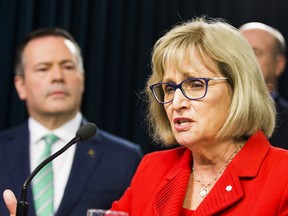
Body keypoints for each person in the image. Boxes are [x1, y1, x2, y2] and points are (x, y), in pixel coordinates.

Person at [4, 17, 288, 216]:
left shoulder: (282, 175)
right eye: (168, 88)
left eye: (194, 84)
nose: (176, 102)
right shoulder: (153, 169)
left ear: (239, 87)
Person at [0, 27, 143, 216]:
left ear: (81, 79)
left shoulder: (125, 158)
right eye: (43, 68)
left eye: (67, 67)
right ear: (21, 85)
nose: (58, 76)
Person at [239, 22, 288, 149]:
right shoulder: (213, 114)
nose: (245, 60)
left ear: (278, 64)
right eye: (240, 52)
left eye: (256, 53)